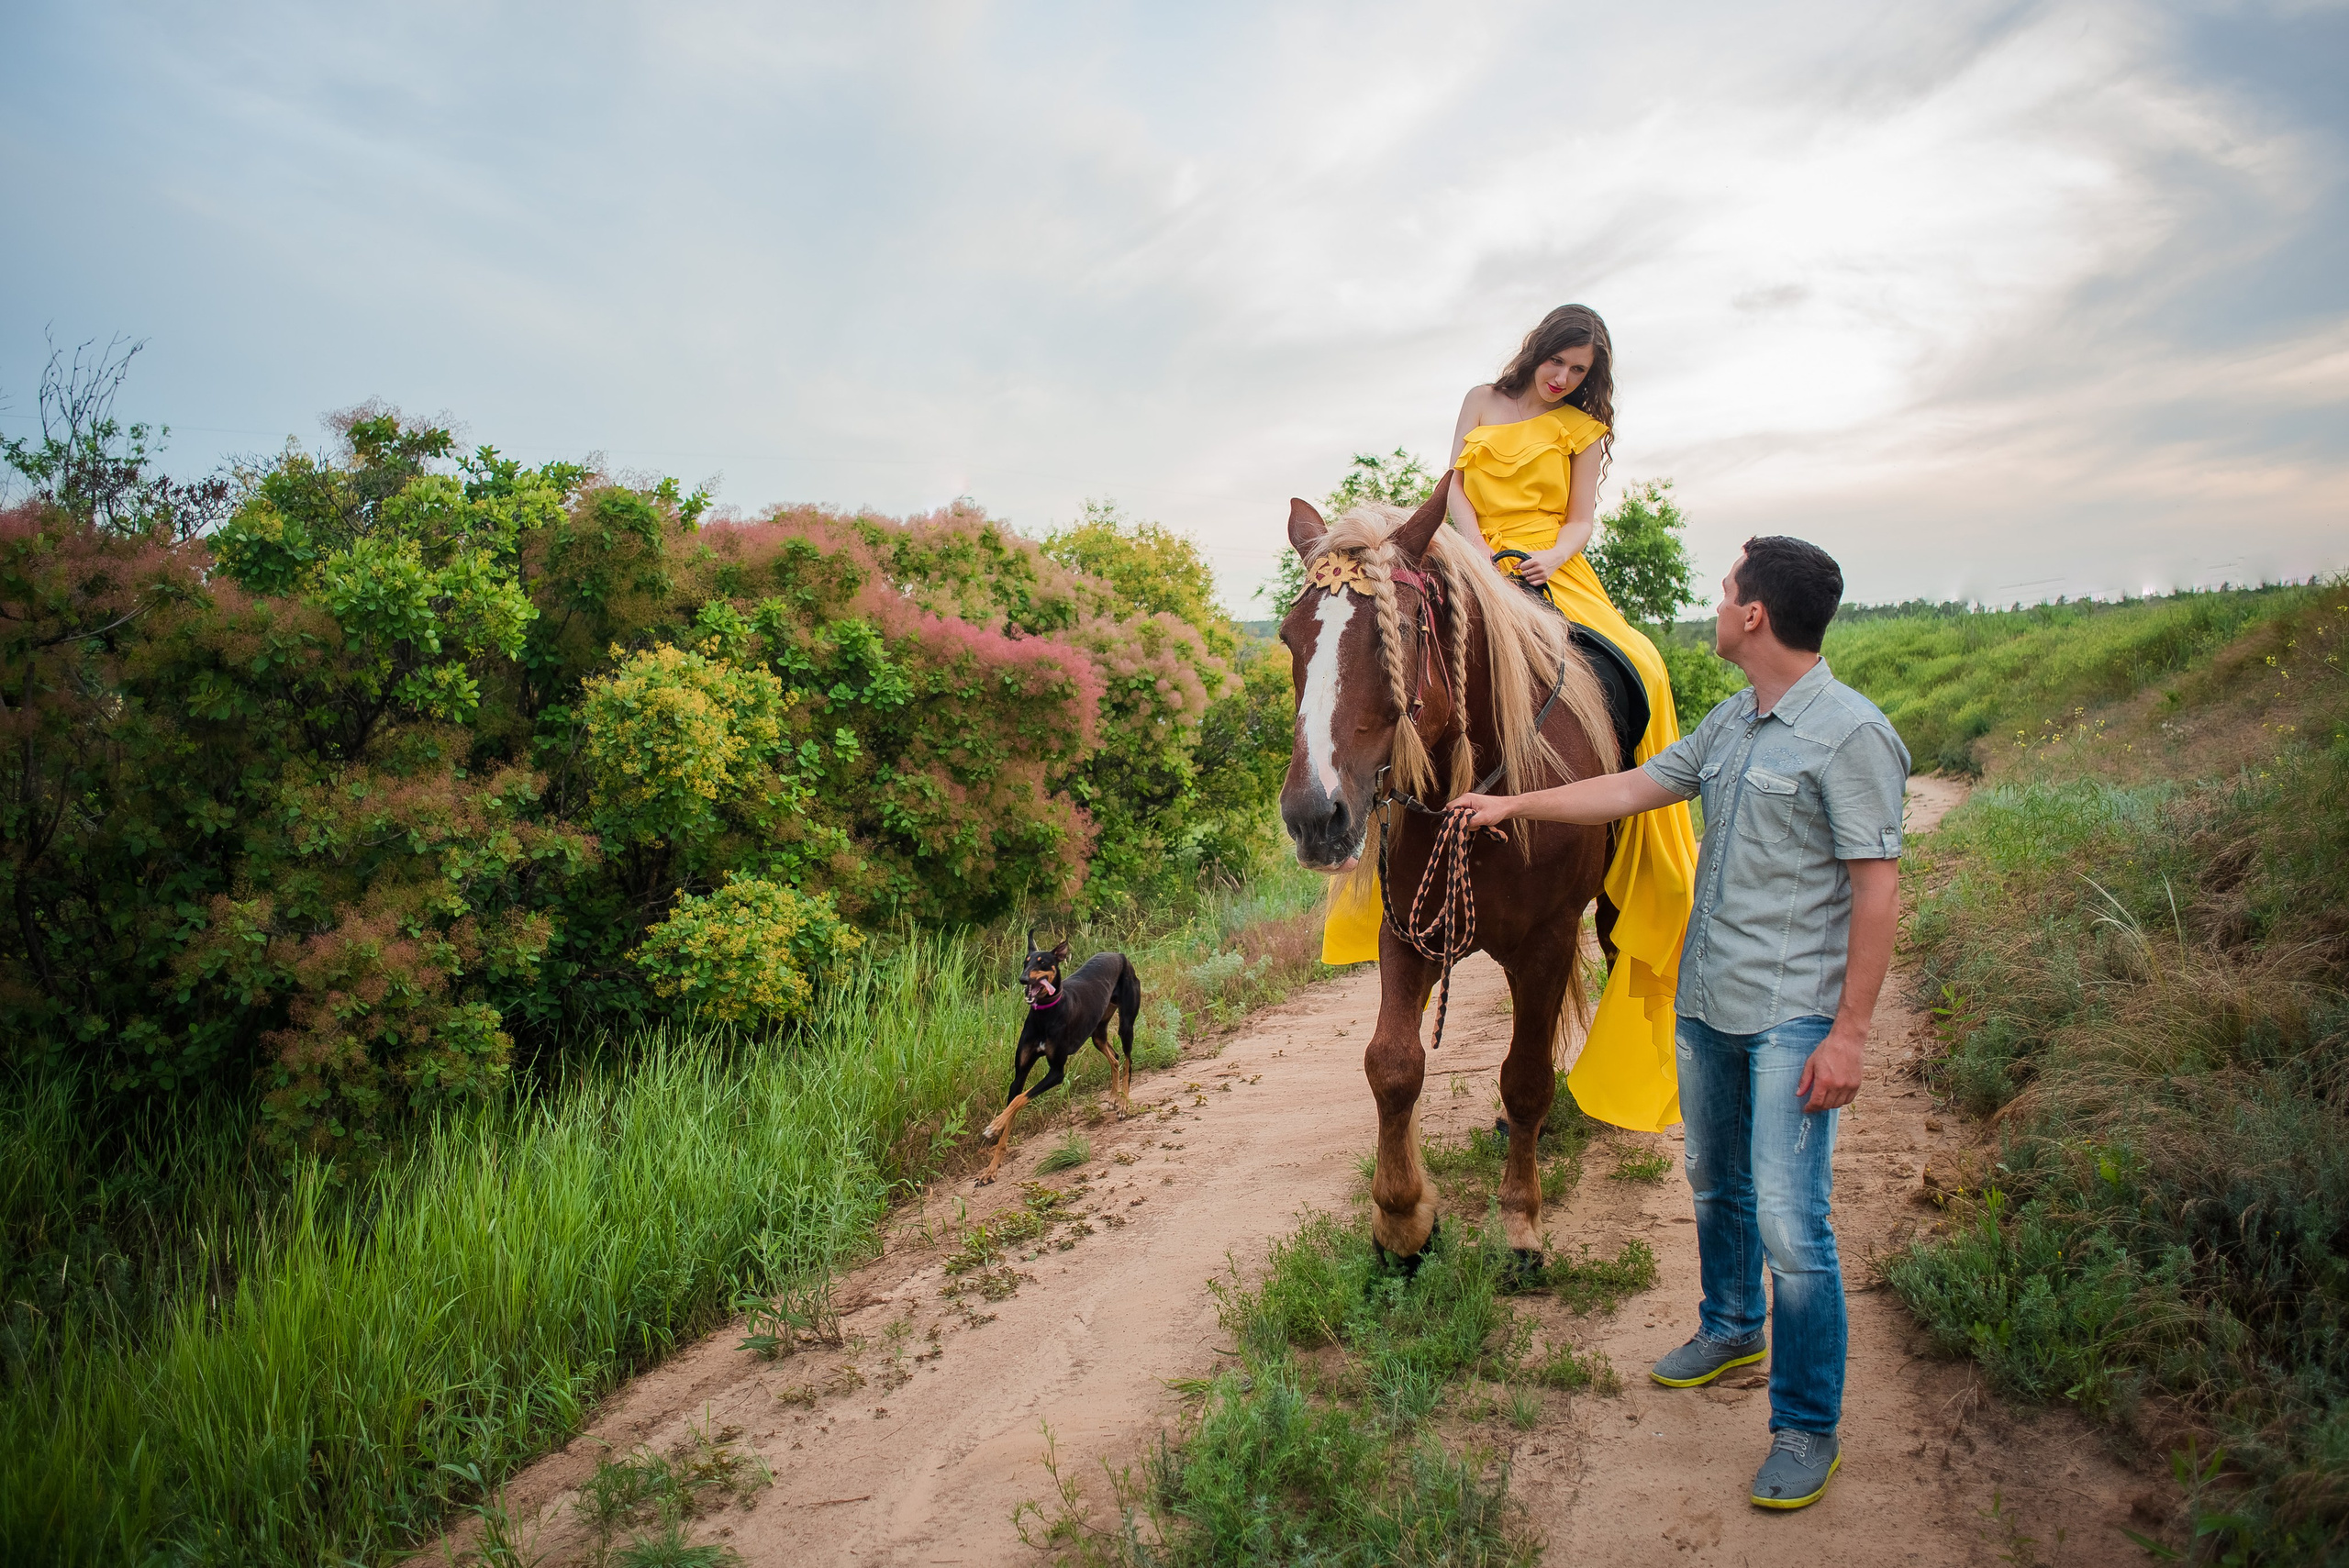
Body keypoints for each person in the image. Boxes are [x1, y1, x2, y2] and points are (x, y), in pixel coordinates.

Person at [1452, 536, 1908, 1512]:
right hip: (1708, 1004)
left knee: (1794, 1224)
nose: (1715, 602)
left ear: (1754, 615)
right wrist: (1512, 802)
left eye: (1726, 589)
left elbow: (1876, 891)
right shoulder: (1733, 721)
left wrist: (1850, 1033)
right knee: (1714, 1183)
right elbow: (1635, 786)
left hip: (1793, 1014)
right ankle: (1730, 1320)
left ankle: (1802, 1425)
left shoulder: (1851, 734)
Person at [1319, 304, 1701, 1134]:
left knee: (1643, 665)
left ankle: (1637, 840)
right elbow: (1451, 490)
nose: (1564, 378)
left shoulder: (1583, 429)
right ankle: (1374, 836)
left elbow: (1579, 519)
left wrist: (1548, 561)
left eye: (1580, 370)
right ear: (1537, 350)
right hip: (1470, 558)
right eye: (1558, 362)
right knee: (1395, 675)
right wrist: (1480, 559)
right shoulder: (1481, 401)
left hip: (1551, 572)